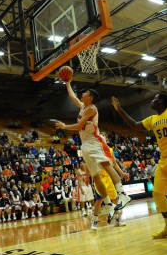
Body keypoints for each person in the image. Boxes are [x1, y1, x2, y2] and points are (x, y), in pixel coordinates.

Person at [56, 81, 131, 222]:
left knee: (107, 165)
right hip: (85, 144)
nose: (82, 94)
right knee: (95, 175)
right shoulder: (83, 106)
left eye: (85, 93)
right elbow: (72, 96)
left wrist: (64, 126)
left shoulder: (91, 109)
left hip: (94, 141)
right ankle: (108, 203)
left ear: (90, 97)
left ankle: (122, 194)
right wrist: (67, 83)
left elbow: (79, 125)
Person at [112, 92, 167, 239]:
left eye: (155, 98)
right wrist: (119, 109)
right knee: (157, 194)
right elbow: (134, 125)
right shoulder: (153, 119)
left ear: (162, 101)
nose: (152, 101)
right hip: (164, 160)